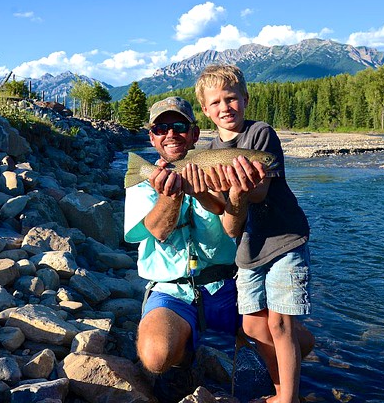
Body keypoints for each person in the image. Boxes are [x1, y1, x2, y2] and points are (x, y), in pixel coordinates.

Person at [123, 96, 264, 401]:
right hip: (172, 291)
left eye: (179, 126)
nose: (170, 134)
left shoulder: (219, 167)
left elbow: (234, 226)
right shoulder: (141, 181)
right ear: (152, 136)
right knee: (157, 356)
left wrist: (232, 195)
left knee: (297, 341)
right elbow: (158, 231)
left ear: (195, 134)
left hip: (228, 287)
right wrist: (171, 195)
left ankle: (249, 359)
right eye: (161, 128)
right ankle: (186, 359)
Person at [195, 64, 315, 403]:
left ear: (245, 100)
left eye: (231, 99)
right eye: (215, 102)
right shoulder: (208, 155)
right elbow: (228, 220)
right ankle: (285, 379)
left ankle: (287, 397)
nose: (224, 107)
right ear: (206, 110)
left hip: (284, 239)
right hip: (248, 248)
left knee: (279, 325)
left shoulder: (260, 135)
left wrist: (237, 185)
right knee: (251, 327)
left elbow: (260, 194)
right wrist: (197, 190)